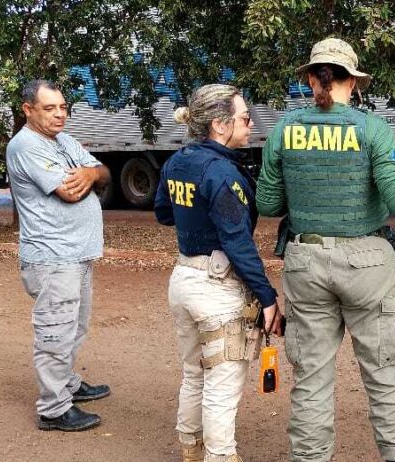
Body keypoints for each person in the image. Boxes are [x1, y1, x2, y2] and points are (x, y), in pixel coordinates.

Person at [256, 37, 395, 462]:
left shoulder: (284, 130)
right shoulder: (372, 129)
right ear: (352, 83)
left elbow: (267, 204)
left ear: (309, 78)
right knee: (384, 374)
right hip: (367, 265)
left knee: (312, 380)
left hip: (305, 263)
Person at [155, 84, 283, 462]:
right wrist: (268, 297)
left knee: (194, 373)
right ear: (219, 125)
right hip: (217, 290)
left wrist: (194, 217)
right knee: (221, 388)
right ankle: (221, 457)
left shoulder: (177, 161)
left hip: (183, 280)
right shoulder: (222, 172)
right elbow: (238, 243)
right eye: (245, 118)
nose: (251, 124)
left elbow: (164, 212)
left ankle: (190, 449)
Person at [6, 79, 113, 432]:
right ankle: (53, 409)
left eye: (63, 107)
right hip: (52, 257)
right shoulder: (25, 146)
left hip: (77, 254)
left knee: (73, 327)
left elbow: (105, 175)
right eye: (49, 108)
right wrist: (85, 177)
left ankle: (66, 382)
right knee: (54, 332)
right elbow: (69, 192)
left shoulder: (64, 141)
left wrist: (91, 172)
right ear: (28, 110)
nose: (59, 114)